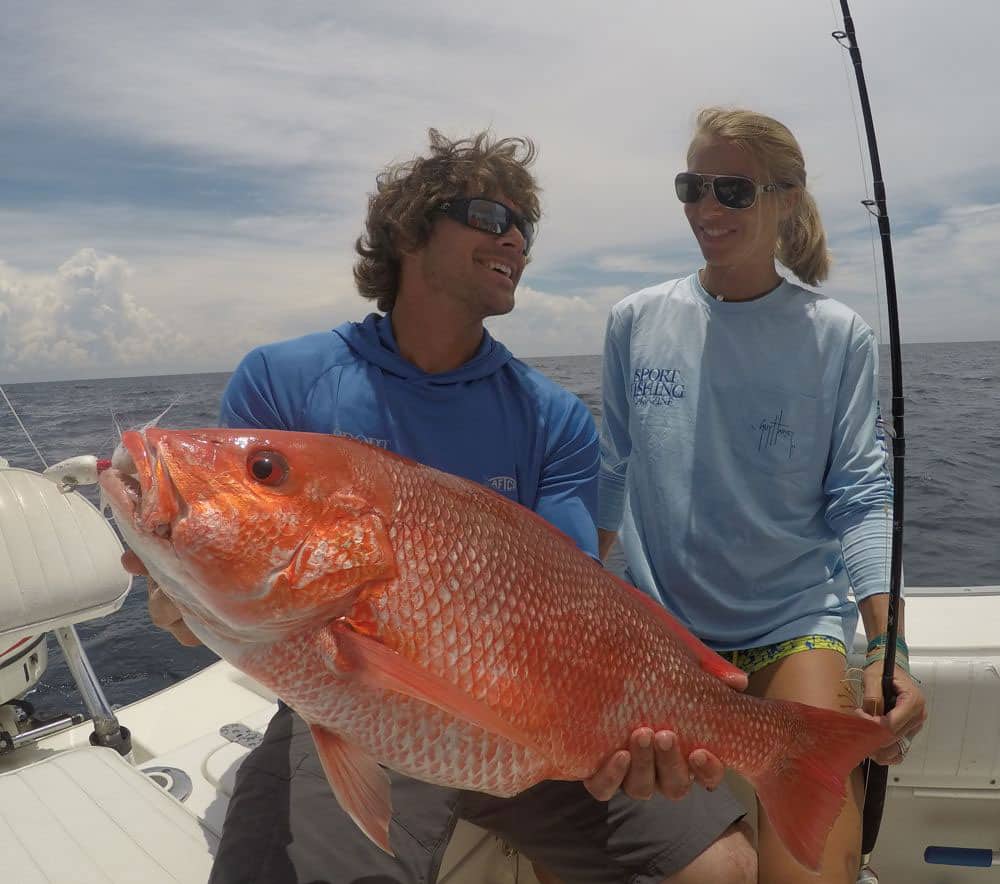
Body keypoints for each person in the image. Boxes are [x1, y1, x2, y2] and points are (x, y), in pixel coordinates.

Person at [125, 128, 756, 884]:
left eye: (526, 226)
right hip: (353, 707)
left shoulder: (552, 415)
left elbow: (574, 609)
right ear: (408, 231)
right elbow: (229, 567)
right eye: (492, 216)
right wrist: (178, 600)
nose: (516, 238)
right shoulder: (283, 385)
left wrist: (637, 732)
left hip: (529, 717)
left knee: (722, 868)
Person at [597, 106, 927, 883]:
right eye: (692, 187)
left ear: (785, 198)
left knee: (811, 868)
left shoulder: (835, 334)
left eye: (733, 191)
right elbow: (608, 478)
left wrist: (888, 648)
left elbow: (859, 496)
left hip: (790, 624)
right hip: (659, 632)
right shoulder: (634, 322)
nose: (707, 210)